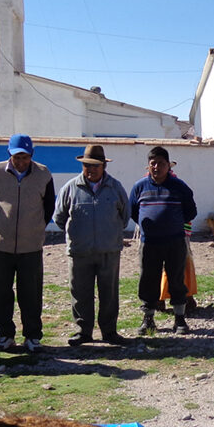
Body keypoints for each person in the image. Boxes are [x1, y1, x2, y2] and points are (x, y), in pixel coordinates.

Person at [0, 134, 56, 352]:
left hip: (31, 246)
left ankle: (32, 336)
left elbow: (49, 206)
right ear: (9, 154)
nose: (21, 161)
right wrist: (1, 226)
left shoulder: (43, 174)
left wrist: (33, 228)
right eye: (17, 157)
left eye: (24, 157)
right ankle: (5, 334)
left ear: (31, 155)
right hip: (0, 246)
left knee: (31, 294)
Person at [54, 145, 129, 346]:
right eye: (87, 165)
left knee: (109, 293)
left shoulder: (115, 187)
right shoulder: (70, 188)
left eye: (96, 165)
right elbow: (59, 218)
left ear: (104, 166)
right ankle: (83, 332)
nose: (91, 169)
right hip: (80, 252)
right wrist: (79, 236)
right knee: (80, 292)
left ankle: (109, 332)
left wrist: (108, 234)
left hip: (109, 251)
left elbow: (124, 216)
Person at [130, 146, 198, 335]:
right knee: (148, 279)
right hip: (149, 243)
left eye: (161, 163)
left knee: (176, 278)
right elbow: (134, 212)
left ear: (168, 165)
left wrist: (171, 224)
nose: (157, 167)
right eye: (153, 163)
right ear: (148, 166)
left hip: (175, 242)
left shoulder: (180, 187)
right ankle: (148, 319)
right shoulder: (139, 187)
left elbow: (191, 211)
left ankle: (180, 319)